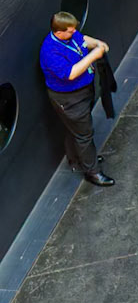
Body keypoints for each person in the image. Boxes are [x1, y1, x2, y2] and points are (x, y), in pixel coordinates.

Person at [41, 11, 114, 185]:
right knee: (84, 134)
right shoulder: (50, 52)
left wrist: (97, 43)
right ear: (59, 32)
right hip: (70, 99)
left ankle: (77, 159)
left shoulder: (69, 35)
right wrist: (93, 56)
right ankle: (92, 171)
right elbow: (71, 73)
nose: (75, 33)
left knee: (75, 129)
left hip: (83, 91)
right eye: (70, 31)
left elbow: (82, 39)